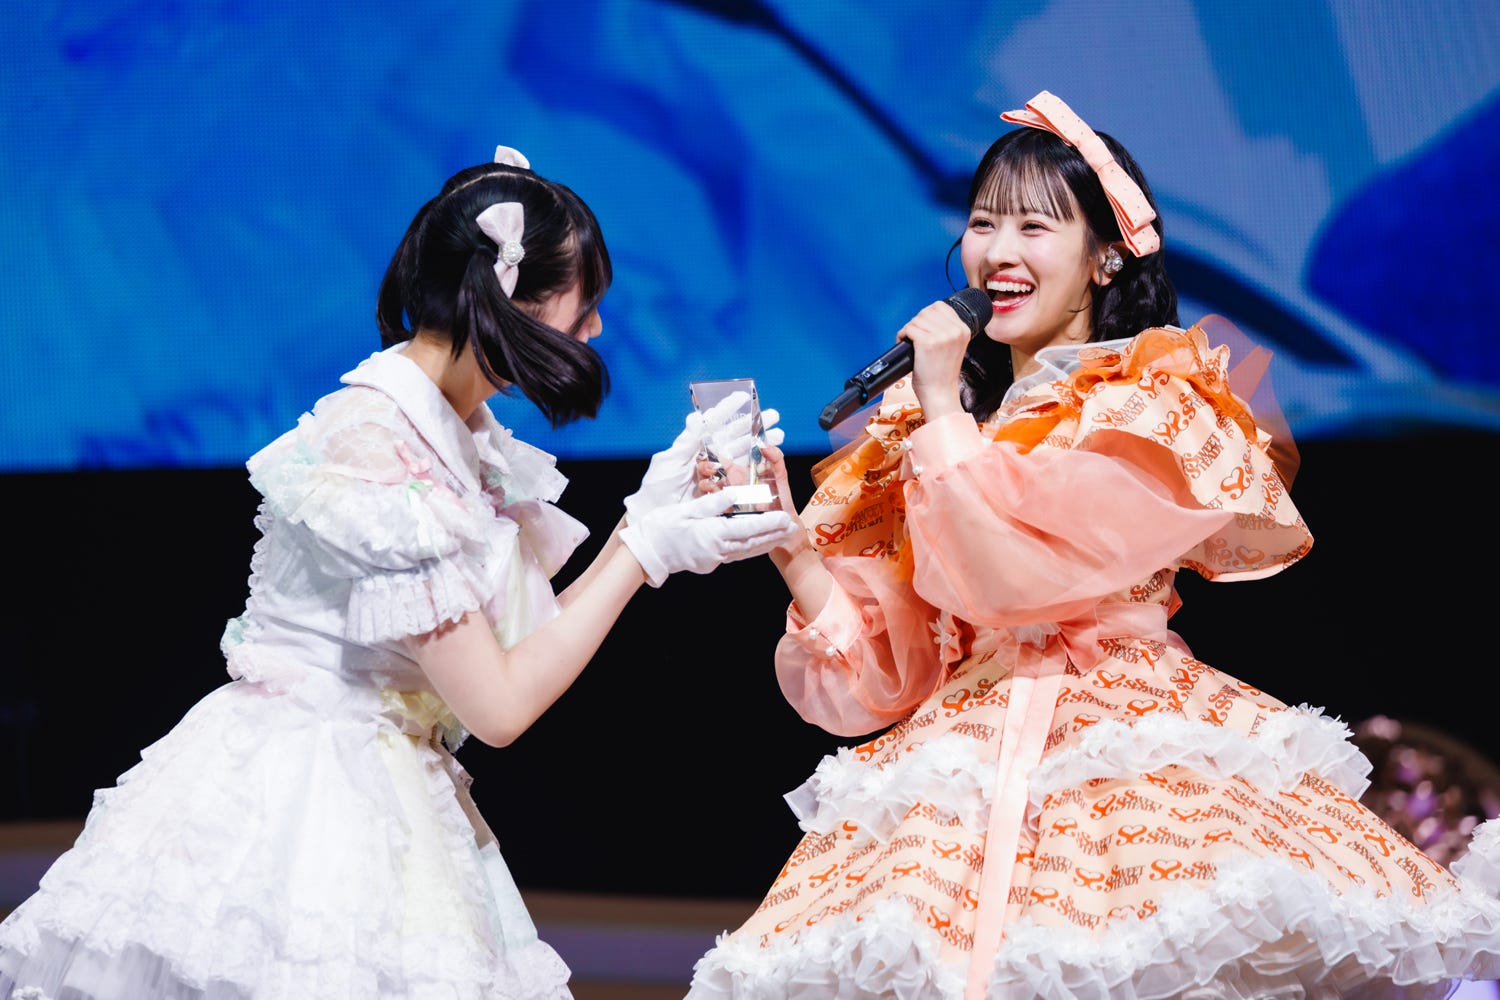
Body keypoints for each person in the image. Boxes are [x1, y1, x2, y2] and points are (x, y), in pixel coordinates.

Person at [686, 92, 1500, 999]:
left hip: (1121, 758)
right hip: (963, 759)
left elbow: (1015, 580)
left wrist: (944, 409)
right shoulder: (937, 427)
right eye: (983, 223)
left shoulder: (1150, 404)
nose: (998, 251)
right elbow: (884, 676)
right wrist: (791, 545)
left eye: (1034, 226)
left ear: (1106, 255)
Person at [0, 144, 801, 1000]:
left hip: (381, 782)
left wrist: (641, 526)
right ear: (514, 301)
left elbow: (517, 648)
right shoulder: (380, 444)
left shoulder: (456, 431)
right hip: (305, 808)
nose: (596, 329)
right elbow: (498, 706)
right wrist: (642, 553)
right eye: (586, 301)